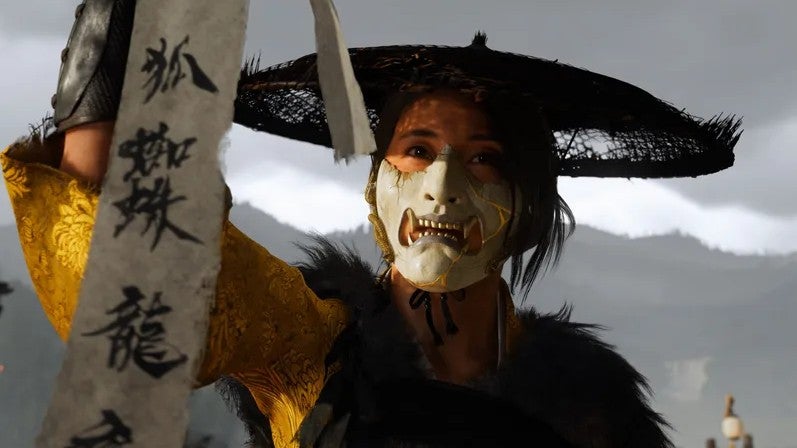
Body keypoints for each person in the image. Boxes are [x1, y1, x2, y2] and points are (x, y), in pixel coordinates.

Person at [1, 1, 742, 447]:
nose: (442, 187)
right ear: (377, 181)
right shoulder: (306, 345)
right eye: (416, 150)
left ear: (527, 201)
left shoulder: (591, 405)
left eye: (484, 159)